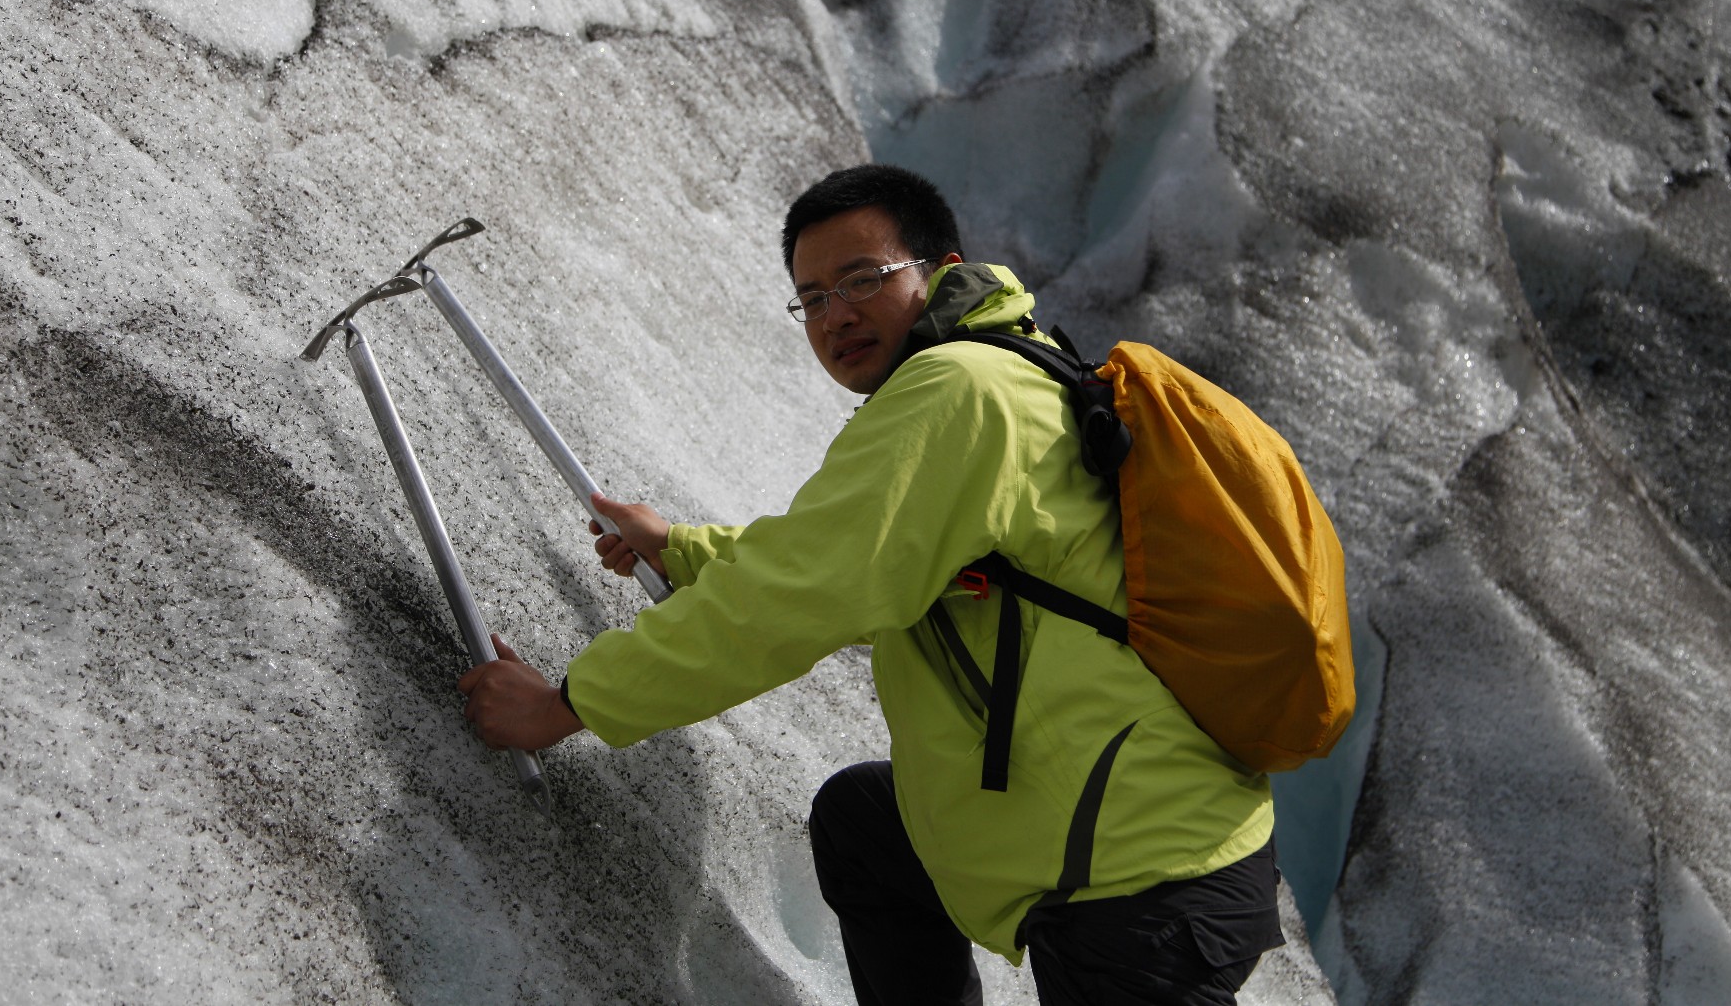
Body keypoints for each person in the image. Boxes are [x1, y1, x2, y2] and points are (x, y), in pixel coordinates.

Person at [459, 164, 1284, 1004]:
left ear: (939, 269)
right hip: (1135, 827)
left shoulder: (957, 389)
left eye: (862, 279)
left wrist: (564, 704)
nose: (835, 315)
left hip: (1145, 874)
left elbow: (792, 598)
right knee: (865, 824)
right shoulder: (1000, 368)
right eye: (811, 298)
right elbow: (862, 554)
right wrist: (684, 549)